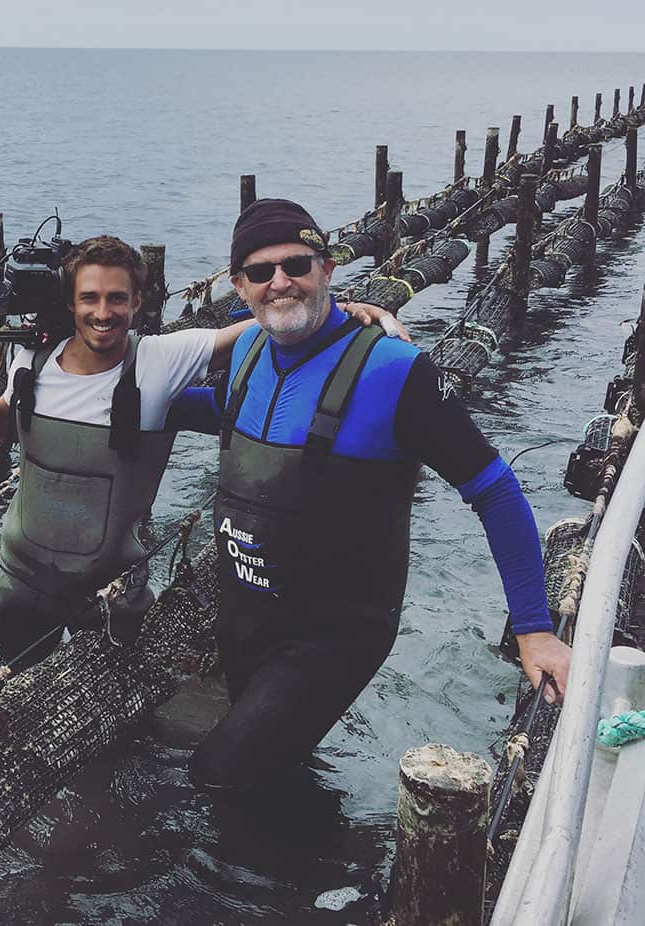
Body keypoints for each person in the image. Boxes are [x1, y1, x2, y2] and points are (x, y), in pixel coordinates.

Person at [166, 199, 572, 791]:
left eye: (297, 264)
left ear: (328, 268)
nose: (280, 282)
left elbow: (495, 489)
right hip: (246, 614)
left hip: (333, 632)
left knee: (218, 777)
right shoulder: (249, 354)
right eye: (260, 272)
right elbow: (232, 415)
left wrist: (533, 629)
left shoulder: (394, 369)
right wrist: (120, 391)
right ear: (239, 286)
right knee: (271, 774)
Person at [0, 235, 401, 668]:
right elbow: (2, 420)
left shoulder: (161, 359)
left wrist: (340, 309)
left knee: (106, 721)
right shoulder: (31, 359)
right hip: (20, 582)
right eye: (89, 298)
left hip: (112, 596)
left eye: (117, 298)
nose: (104, 313)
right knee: (13, 696)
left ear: (138, 302)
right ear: (69, 302)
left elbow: (264, 326)